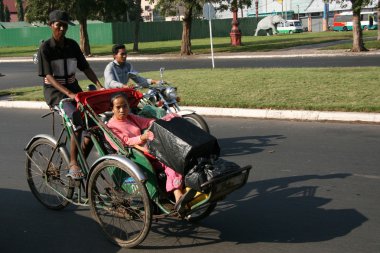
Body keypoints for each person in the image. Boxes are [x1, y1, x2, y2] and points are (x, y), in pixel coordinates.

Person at [38, 10, 103, 179]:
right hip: (55, 93)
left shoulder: (72, 45)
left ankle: (81, 158)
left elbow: (85, 67)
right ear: (51, 25)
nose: (62, 29)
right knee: (76, 117)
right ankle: (73, 163)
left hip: (74, 90)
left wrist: (99, 86)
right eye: (58, 25)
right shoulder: (45, 48)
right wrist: (69, 93)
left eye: (65, 26)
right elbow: (48, 76)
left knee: (95, 122)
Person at [106, 92, 188, 208]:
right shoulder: (111, 127)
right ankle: (178, 194)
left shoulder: (131, 118)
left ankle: (179, 190)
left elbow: (147, 122)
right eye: (118, 107)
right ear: (112, 109)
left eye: (124, 106)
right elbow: (125, 142)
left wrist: (161, 121)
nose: (122, 110)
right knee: (169, 159)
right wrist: (142, 137)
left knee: (176, 155)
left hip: (146, 150)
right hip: (134, 156)